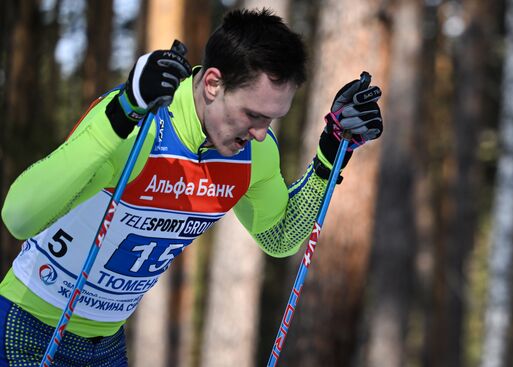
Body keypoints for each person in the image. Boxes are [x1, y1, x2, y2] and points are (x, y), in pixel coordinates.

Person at [0, 8, 382, 367]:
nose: (260, 133)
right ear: (213, 83)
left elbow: (280, 237)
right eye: (252, 114)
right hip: (28, 327)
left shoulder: (254, 152)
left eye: (272, 119)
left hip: (108, 341)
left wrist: (330, 155)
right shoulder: (141, 123)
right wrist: (121, 112)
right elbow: (18, 216)